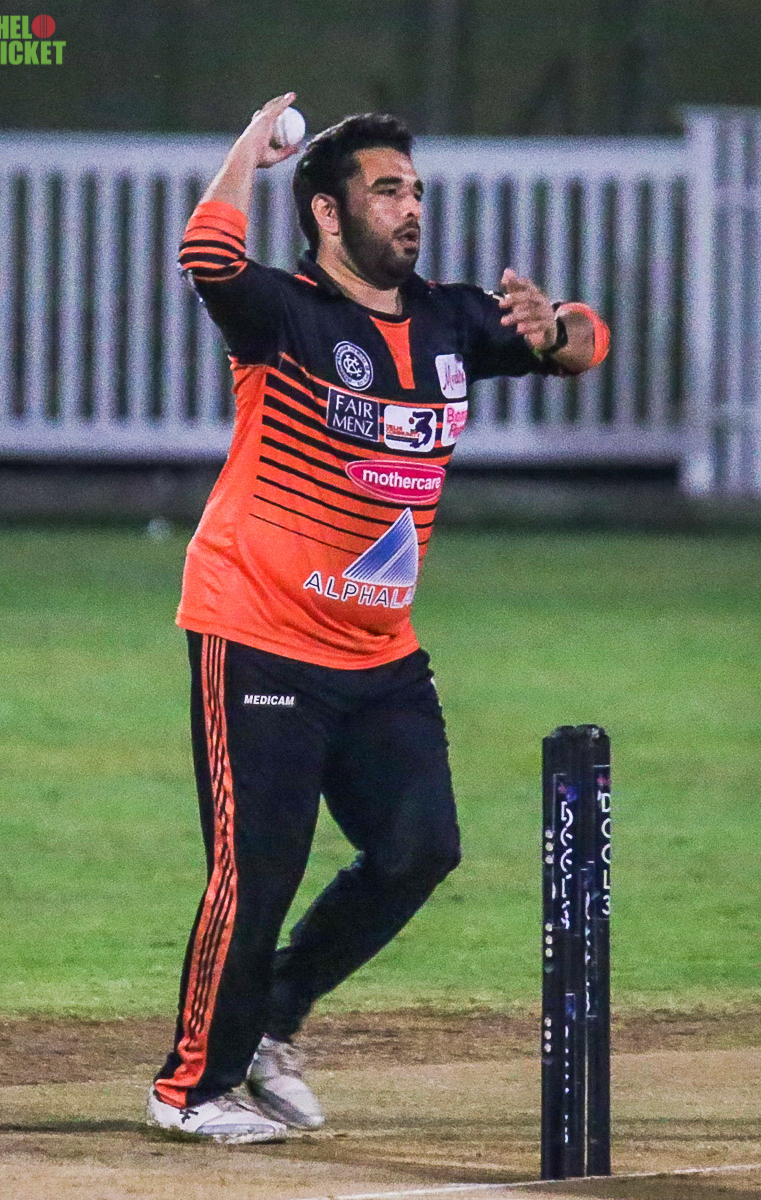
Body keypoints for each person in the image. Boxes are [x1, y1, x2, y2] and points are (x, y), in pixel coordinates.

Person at [147, 93, 610, 1144]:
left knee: (418, 849)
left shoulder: (449, 321)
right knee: (258, 870)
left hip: (377, 652)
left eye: (416, 191)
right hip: (256, 631)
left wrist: (556, 328)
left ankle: (273, 1018)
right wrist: (249, 149)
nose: (411, 209)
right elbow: (206, 257)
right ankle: (189, 1090)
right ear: (326, 212)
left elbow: (587, 345)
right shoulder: (283, 314)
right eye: (387, 190)